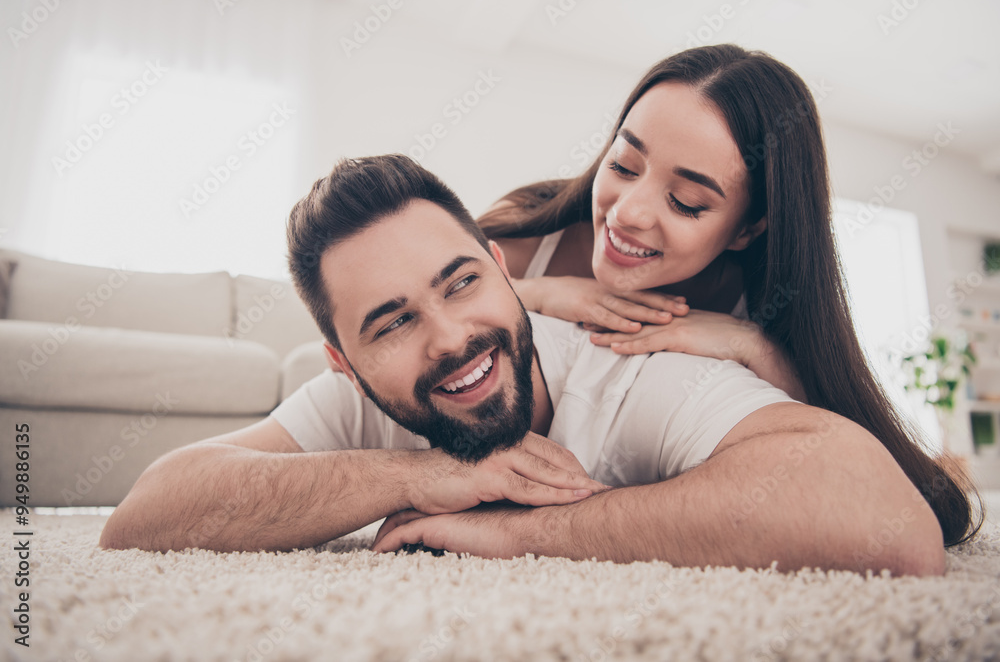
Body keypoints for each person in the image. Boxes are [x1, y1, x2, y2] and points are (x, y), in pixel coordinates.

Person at [100, 155, 945, 576]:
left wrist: (518, 532)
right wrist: (417, 477)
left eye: (461, 282)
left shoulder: (629, 366)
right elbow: (142, 516)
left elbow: (887, 520)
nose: (451, 337)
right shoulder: (356, 409)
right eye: (393, 323)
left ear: (507, 275)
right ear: (344, 365)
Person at [476, 44, 979, 547]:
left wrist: (753, 345)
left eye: (686, 202)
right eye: (624, 165)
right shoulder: (523, 233)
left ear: (747, 229)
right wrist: (536, 292)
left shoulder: (766, 297)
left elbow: (846, 472)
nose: (628, 212)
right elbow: (410, 304)